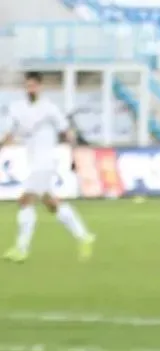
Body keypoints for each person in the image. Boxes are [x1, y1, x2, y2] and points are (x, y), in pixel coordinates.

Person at [1, 72, 94, 263]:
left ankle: (21, 248)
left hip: (45, 163)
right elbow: (9, 134)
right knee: (51, 203)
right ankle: (84, 236)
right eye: (28, 86)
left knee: (26, 200)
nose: (30, 89)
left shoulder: (49, 108)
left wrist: (75, 153)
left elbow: (66, 131)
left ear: (40, 87)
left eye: (33, 86)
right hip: (32, 161)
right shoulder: (18, 108)